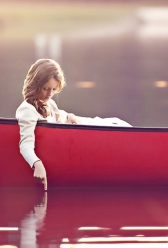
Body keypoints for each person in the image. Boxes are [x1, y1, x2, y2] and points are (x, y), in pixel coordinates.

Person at [16, 58, 131, 190]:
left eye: (53, 89)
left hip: (75, 129)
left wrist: (68, 116)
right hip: (69, 145)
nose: (50, 94)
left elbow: (58, 114)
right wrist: (37, 164)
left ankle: (127, 134)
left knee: (114, 122)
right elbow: (25, 144)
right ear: (36, 85)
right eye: (46, 89)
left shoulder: (48, 103)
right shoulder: (27, 109)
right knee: (110, 124)